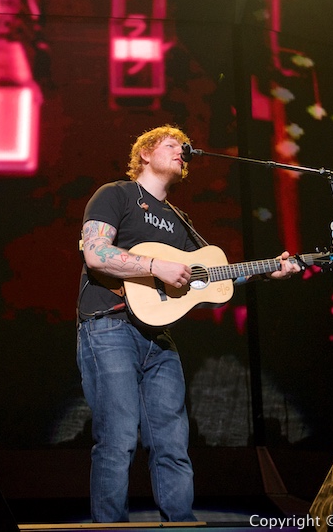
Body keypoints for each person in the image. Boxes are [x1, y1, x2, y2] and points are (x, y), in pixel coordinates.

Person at [76, 125, 299, 523]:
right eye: (172, 146)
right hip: (109, 327)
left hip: (158, 338)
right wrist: (154, 265)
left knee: (172, 442)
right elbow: (95, 253)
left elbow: (213, 275)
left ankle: (181, 526)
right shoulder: (116, 194)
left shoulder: (180, 220)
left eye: (184, 148)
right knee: (118, 439)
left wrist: (268, 271)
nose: (183, 152)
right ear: (144, 153)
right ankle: (108, 529)